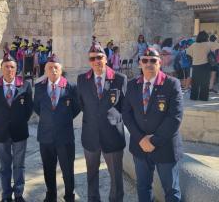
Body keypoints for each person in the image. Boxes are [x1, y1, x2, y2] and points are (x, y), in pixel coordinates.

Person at [122, 47, 183, 202]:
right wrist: (141, 139)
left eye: (153, 60)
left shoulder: (172, 84)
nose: (149, 63)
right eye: (145, 60)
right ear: (140, 63)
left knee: (171, 191)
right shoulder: (132, 85)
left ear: (160, 63)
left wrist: (153, 141)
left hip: (165, 147)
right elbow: (127, 114)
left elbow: (174, 117)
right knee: (143, 187)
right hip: (140, 146)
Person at [77, 42, 127, 202]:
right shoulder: (82, 80)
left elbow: (125, 107)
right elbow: (82, 105)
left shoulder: (119, 79)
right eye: (92, 58)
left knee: (116, 177)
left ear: (106, 58)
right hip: (90, 135)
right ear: (89, 61)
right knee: (91, 175)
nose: (96, 61)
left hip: (113, 136)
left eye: (99, 57)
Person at [0, 54, 33, 202]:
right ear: (1, 68)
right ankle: (6, 195)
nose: (9, 69)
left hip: (19, 132)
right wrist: (2, 123)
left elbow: (28, 109)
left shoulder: (25, 85)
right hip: (1, 134)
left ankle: (18, 194)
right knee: (4, 167)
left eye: (12, 67)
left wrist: (18, 122)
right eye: (6, 66)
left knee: (19, 165)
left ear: (16, 68)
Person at [34, 54, 80, 202]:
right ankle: (51, 195)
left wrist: (63, 119)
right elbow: (37, 108)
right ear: (45, 70)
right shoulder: (39, 88)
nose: (53, 70)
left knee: (68, 169)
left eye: (56, 67)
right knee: (48, 169)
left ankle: (69, 195)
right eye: (49, 68)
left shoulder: (70, 87)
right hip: (45, 136)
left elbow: (76, 107)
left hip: (65, 136)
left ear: (61, 70)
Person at [186, 31, 219, 101]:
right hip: (205, 65)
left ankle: (193, 97)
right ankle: (203, 98)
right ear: (206, 37)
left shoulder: (194, 45)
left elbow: (188, 53)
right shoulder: (208, 44)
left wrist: (193, 59)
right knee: (205, 83)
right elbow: (217, 46)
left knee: (195, 83)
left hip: (195, 65)